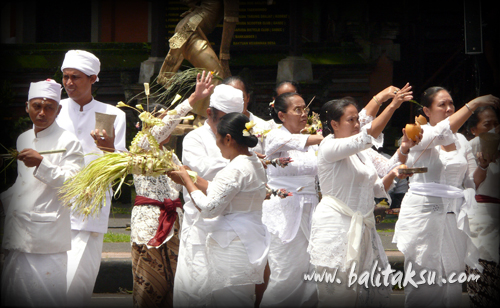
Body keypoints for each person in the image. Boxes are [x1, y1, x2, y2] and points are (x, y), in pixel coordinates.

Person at [307, 83, 415, 307]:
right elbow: (367, 136)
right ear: (334, 124)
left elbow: (382, 179)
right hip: (335, 226)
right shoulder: (329, 146)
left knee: (369, 290)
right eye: (351, 120)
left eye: (358, 119)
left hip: (363, 225)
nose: (357, 124)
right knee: (338, 293)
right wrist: (392, 105)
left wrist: (404, 148)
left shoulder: (363, 153)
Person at [392, 87, 500, 307]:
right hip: (423, 215)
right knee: (424, 280)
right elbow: (441, 132)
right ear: (427, 111)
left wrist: (482, 165)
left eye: (451, 103)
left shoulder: (461, 139)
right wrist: (474, 103)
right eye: (442, 104)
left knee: (452, 278)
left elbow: (472, 181)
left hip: (453, 215)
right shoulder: (419, 133)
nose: (449, 108)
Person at [130, 71, 214, 308]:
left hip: (175, 223)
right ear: (146, 126)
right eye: (161, 122)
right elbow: (158, 131)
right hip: (149, 223)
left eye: (167, 121)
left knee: (174, 287)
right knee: (149, 286)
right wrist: (193, 99)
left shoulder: (171, 156)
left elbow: (192, 182)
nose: (166, 127)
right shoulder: (141, 146)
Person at [168, 112, 269, 306]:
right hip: (251, 238)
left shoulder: (234, 169)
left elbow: (209, 208)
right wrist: (192, 177)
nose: (216, 144)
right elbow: (221, 190)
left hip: (233, 243)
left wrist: (187, 182)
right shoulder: (254, 162)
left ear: (228, 139)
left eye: (217, 138)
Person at [0, 79, 84, 307]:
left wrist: (42, 164)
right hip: (18, 230)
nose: (42, 112)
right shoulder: (24, 138)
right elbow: (23, 184)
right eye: (37, 106)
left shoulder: (69, 141)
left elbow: (75, 184)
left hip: (47, 238)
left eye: (49, 107)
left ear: (58, 110)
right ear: (27, 107)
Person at [55, 49, 128, 306]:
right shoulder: (52, 109)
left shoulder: (114, 114)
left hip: (90, 203)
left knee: (79, 280)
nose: (69, 83)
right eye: (65, 77)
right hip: (54, 201)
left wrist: (108, 146)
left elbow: (120, 164)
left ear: (93, 79)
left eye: (76, 77)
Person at [173, 84, 244, 306]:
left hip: (234, 228)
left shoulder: (245, 138)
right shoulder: (194, 138)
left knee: (231, 294)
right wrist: (241, 161)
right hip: (201, 226)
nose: (228, 127)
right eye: (224, 119)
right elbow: (200, 172)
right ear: (210, 113)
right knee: (196, 291)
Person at [259, 91, 323, 307]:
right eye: (297, 109)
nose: (303, 113)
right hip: (285, 209)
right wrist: (330, 138)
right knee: (286, 272)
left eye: (305, 108)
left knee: (313, 271)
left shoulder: (313, 142)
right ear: (281, 115)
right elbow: (295, 141)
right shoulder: (275, 136)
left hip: (312, 209)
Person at [465, 106, 500, 308]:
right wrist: (483, 166)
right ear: (474, 130)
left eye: (496, 123)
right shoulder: (470, 147)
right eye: (488, 125)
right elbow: (471, 184)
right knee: (484, 287)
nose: (494, 128)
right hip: (483, 220)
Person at [222, 75, 271, 156]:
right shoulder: (217, 126)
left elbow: (270, 158)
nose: (235, 101)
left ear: (248, 97)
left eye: (240, 97)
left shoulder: (264, 126)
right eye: (230, 97)